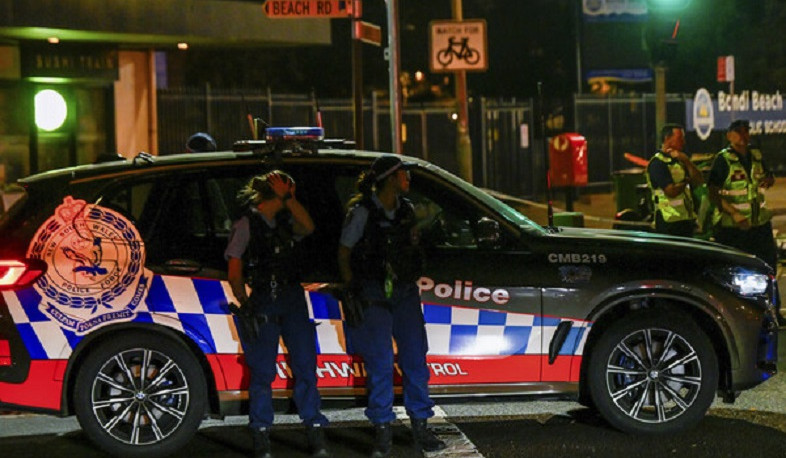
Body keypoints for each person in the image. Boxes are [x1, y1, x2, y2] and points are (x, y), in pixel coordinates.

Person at [337, 155, 446, 458]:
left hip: (404, 291)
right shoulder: (362, 212)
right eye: (403, 174)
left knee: (415, 359)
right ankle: (383, 429)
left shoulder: (406, 210)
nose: (408, 179)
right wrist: (353, 289)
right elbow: (344, 254)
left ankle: (420, 425)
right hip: (373, 292)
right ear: (389, 178)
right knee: (380, 363)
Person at [225, 170, 330, 458]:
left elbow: (308, 226)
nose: (293, 198)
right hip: (264, 299)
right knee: (262, 371)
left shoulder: (286, 220)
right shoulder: (246, 223)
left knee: (305, 366)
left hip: (292, 297)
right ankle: (260, 431)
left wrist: (289, 200)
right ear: (278, 192)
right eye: (290, 192)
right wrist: (245, 303)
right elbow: (234, 268)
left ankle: (313, 427)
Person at [708, 119, 783, 322]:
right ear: (729, 136)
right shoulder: (723, 159)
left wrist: (769, 180)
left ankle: (772, 311)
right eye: (738, 132)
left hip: (758, 224)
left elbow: (767, 176)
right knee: (736, 272)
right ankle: (738, 314)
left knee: (768, 267)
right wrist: (733, 212)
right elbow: (713, 192)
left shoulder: (756, 155)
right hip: (734, 228)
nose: (743, 135)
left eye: (745, 131)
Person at [645, 123, 704, 237]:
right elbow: (671, 191)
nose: (683, 142)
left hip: (685, 220)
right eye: (680, 138)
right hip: (668, 222)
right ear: (667, 138)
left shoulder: (680, 160)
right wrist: (687, 181)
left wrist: (686, 161)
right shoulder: (658, 163)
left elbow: (699, 180)